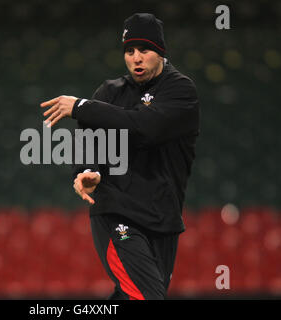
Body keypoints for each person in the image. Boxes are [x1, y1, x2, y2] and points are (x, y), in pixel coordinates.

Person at [40, 13, 199, 300]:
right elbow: (86, 140)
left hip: (163, 219)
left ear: (161, 52)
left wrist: (81, 106)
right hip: (117, 213)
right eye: (129, 51)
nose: (136, 58)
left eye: (144, 50)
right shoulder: (109, 92)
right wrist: (85, 172)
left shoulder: (180, 90)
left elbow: (144, 128)